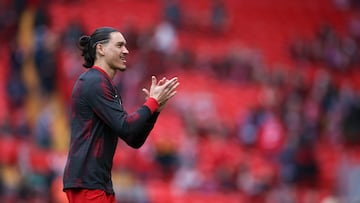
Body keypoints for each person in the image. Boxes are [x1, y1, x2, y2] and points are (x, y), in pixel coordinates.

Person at [62, 26, 179, 203]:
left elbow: (133, 138)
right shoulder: (94, 81)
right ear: (100, 49)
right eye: (119, 45)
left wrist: (156, 109)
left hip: (98, 184)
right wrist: (152, 103)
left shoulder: (105, 84)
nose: (126, 50)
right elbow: (126, 127)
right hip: (87, 185)